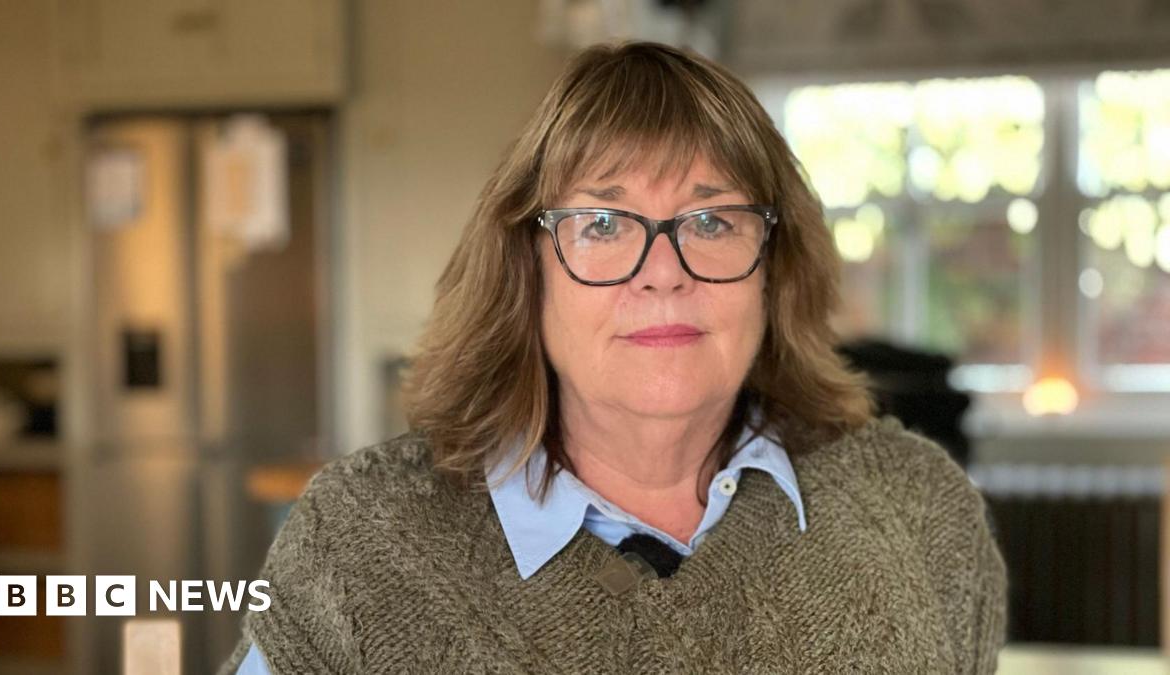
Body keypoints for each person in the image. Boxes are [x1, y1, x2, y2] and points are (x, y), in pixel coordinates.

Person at [220, 40, 1007, 674]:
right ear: (526, 269)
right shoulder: (363, 543)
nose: (663, 270)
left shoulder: (919, 510)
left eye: (711, 220)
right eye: (603, 223)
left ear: (774, 267)